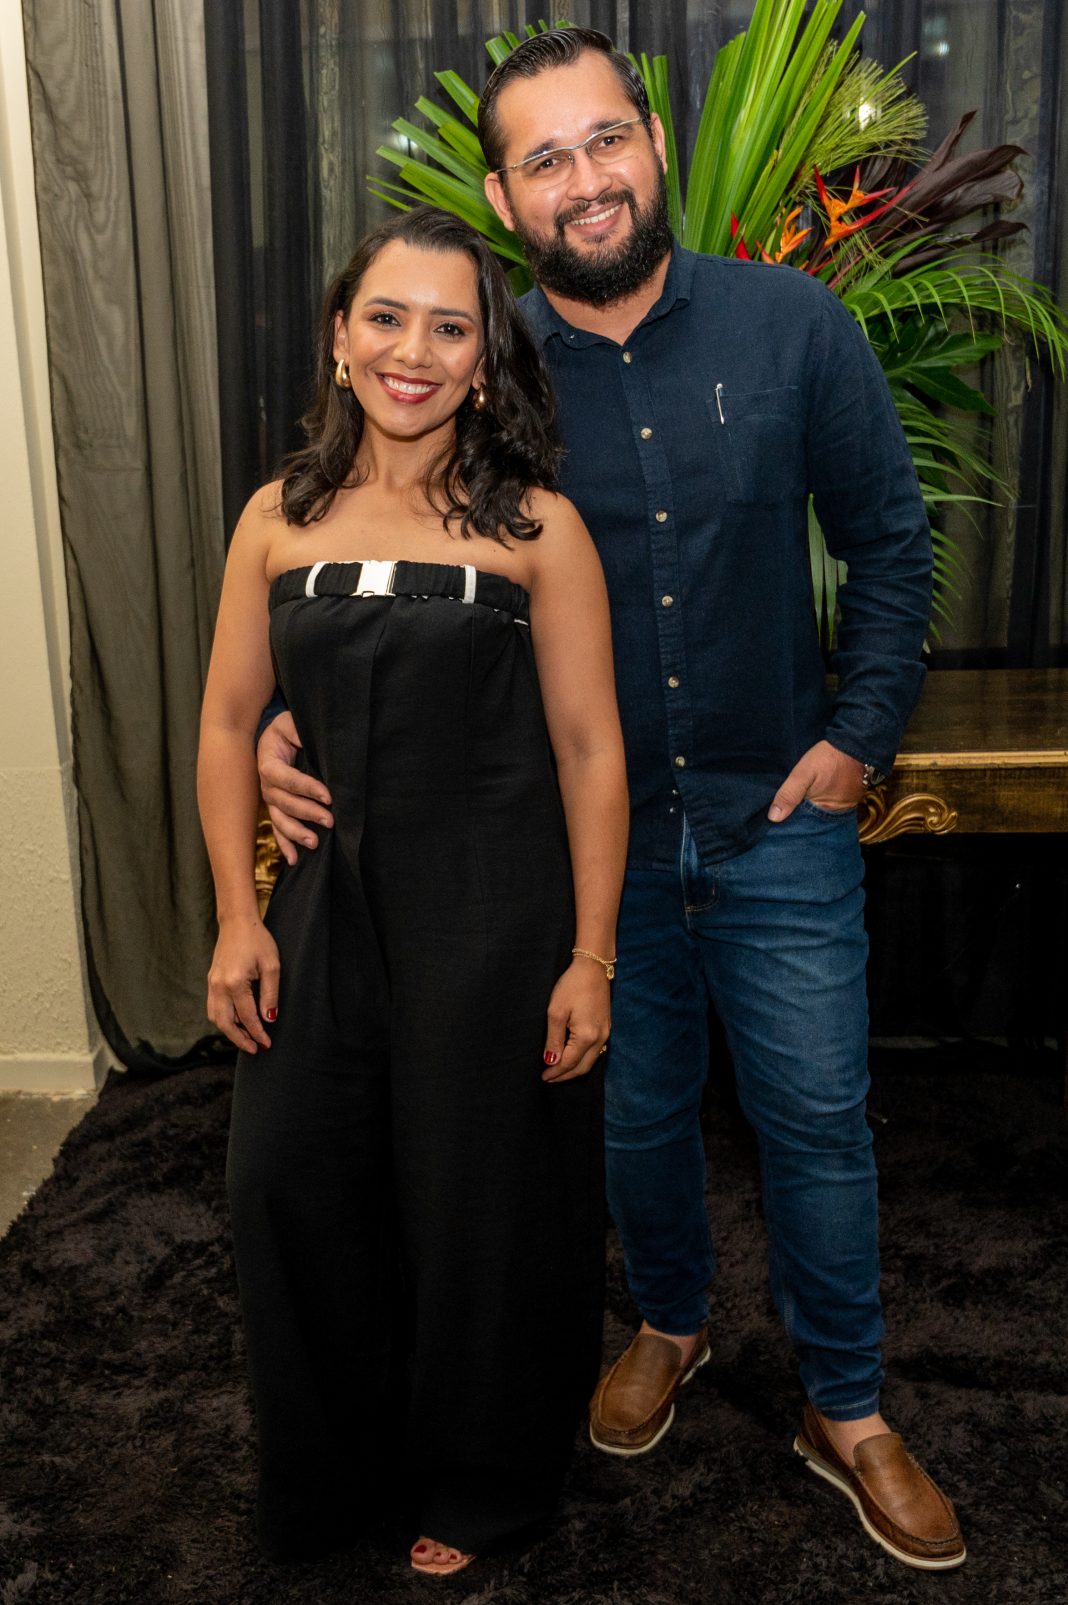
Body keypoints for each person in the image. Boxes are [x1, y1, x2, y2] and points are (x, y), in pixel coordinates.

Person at [258, 29, 966, 1573]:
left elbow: (891, 538)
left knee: (817, 1115)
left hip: (780, 814)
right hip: (575, 843)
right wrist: (279, 721)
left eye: (604, 142)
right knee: (627, 1112)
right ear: (506, 198)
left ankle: (847, 1405)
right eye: (545, 160)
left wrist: (858, 738)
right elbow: (367, 555)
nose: (584, 180)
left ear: (652, 141)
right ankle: (670, 1321)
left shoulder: (794, 327)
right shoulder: (475, 357)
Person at [197, 204, 628, 1576]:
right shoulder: (276, 518)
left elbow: (591, 751)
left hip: (495, 918)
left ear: (485, 361)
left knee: (479, 1211)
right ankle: (335, 1477)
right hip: (322, 912)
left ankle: (480, 1482)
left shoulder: (541, 529)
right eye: (387, 317)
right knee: (290, 1187)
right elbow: (227, 724)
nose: (414, 351)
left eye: (451, 328)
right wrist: (237, 915)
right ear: (340, 337)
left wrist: (591, 958)